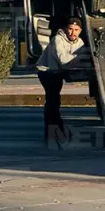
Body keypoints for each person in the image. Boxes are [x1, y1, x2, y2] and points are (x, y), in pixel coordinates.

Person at [36, 17, 91, 145]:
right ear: (66, 29)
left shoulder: (80, 42)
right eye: (70, 29)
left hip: (58, 73)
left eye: (76, 30)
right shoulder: (58, 39)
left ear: (80, 30)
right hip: (47, 72)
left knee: (54, 101)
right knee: (53, 100)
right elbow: (64, 60)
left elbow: (79, 61)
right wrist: (81, 57)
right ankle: (55, 131)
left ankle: (55, 130)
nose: (73, 33)